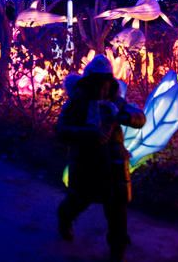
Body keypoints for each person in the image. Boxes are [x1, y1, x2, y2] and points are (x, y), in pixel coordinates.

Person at [56, 54, 146, 262]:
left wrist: (122, 116)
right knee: (78, 200)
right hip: (86, 164)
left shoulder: (115, 101)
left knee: (117, 208)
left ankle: (118, 246)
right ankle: (64, 218)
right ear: (88, 82)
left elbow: (139, 118)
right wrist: (88, 134)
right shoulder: (77, 103)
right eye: (97, 81)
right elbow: (61, 130)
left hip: (113, 164)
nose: (101, 87)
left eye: (105, 81)